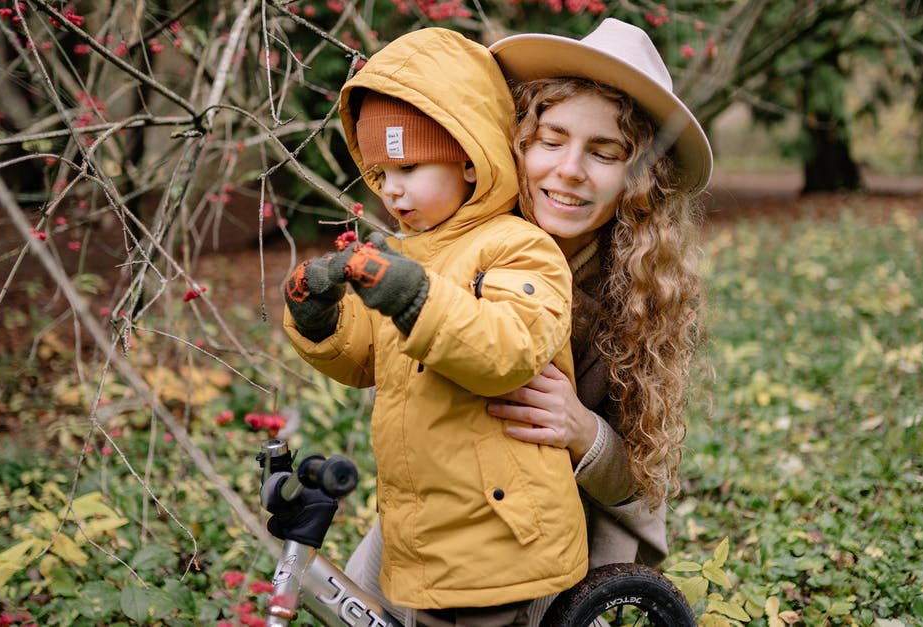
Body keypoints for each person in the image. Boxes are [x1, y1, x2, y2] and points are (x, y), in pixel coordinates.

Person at [280, 27, 588, 624]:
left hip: (499, 535)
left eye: (409, 165)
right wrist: (320, 320)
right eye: (379, 174)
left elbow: (506, 350)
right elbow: (367, 356)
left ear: (470, 162)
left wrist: (411, 295)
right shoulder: (408, 253)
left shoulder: (519, 248)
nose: (392, 188)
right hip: (429, 529)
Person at [485, 17, 713, 575]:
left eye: (604, 154)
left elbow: (640, 486)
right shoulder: (469, 249)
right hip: (448, 523)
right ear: (518, 143)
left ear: (640, 179)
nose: (568, 170)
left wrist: (583, 429)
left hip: (562, 548)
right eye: (551, 140)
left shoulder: (637, 295)